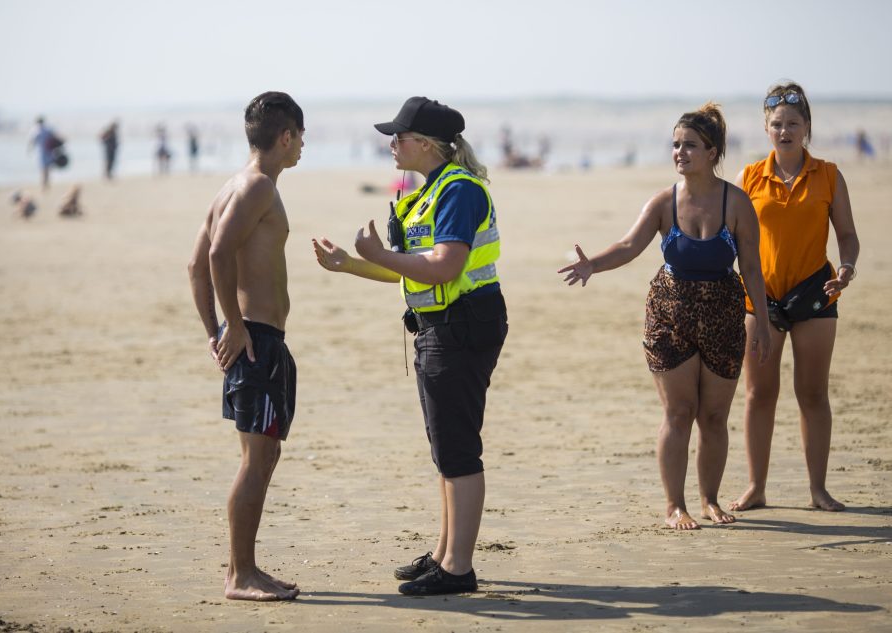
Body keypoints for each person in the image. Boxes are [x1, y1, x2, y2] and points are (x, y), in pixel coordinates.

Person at [313, 96, 508, 595]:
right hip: (437, 325)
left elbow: (444, 267)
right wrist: (352, 264)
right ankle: (446, 552)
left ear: (426, 144)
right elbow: (410, 270)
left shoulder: (458, 191)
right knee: (444, 446)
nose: (391, 145)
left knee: (458, 448)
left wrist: (379, 253)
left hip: (462, 325)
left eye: (398, 137)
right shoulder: (428, 191)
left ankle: (459, 568)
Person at [558, 103, 772, 530]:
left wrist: (762, 322)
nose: (679, 152)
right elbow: (628, 245)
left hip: (724, 315)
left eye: (689, 145)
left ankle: (710, 499)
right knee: (679, 411)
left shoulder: (737, 202)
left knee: (713, 416)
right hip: (669, 314)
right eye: (675, 145)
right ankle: (675, 505)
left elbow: (750, 267)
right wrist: (591, 265)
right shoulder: (663, 202)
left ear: (712, 152)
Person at [187, 91, 305, 601]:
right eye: (300, 136)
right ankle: (241, 576)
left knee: (263, 454)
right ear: (286, 137)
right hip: (257, 340)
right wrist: (231, 328)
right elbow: (216, 253)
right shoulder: (257, 187)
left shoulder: (232, 186)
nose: (302, 145)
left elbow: (195, 264)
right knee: (257, 460)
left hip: (255, 338)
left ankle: (247, 569)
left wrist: (214, 330)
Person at [730, 82, 860, 513]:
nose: (784, 131)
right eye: (776, 124)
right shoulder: (749, 176)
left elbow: (847, 236)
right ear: (766, 128)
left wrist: (845, 269)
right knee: (758, 394)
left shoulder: (828, 174)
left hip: (815, 294)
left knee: (812, 393)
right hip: (760, 296)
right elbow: (728, 236)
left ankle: (818, 490)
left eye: (792, 123)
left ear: (806, 127)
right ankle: (755, 487)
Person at [28, 116, 61, 190]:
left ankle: (43, 185)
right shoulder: (48, 129)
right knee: (48, 169)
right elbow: (55, 137)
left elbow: (32, 141)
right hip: (49, 152)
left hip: (41, 153)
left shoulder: (36, 130)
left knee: (43, 170)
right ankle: (47, 184)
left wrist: (29, 150)